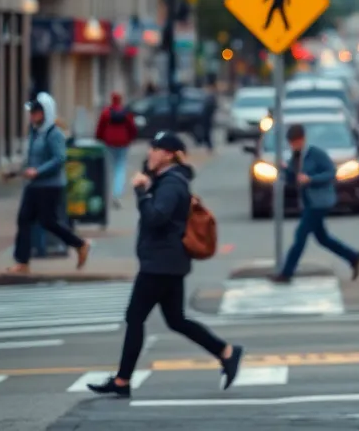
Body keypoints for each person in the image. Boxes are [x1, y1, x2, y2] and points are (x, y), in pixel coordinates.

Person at [88, 132, 243, 397]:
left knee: (135, 317)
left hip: (161, 263)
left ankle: (123, 381)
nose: (150, 153)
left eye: (156, 149)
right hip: (167, 261)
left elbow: (156, 218)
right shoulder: (168, 180)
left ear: (169, 154)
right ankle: (226, 351)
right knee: (176, 320)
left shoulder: (172, 183)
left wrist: (141, 193)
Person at [8, 93, 91, 275]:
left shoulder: (54, 134)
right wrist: (18, 171)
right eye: (32, 112)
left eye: (36, 112)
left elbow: (59, 159)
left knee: (48, 222)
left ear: (46, 112)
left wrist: (38, 171)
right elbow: (31, 157)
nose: (32, 116)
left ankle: (80, 244)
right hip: (33, 186)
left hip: (49, 186)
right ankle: (22, 262)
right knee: (24, 220)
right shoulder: (35, 133)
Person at [272, 124, 359, 283]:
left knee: (300, 236)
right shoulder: (295, 158)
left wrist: (311, 179)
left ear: (303, 139)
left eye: (296, 142)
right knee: (322, 238)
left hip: (320, 202)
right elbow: (293, 179)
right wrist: (285, 170)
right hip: (307, 202)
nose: (294, 146)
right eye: (292, 143)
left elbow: (331, 173)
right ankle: (353, 257)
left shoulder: (316, 154)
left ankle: (286, 273)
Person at [95, 92, 137, 208]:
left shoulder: (106, 112)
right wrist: (131, 138)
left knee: (110, 168)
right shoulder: (126, 113)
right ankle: (117, 193)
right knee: (120, 167)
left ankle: (108, 192)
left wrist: (99, 138)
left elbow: (100, 127)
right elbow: (132, 127)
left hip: (109, 142)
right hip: (123, 142)